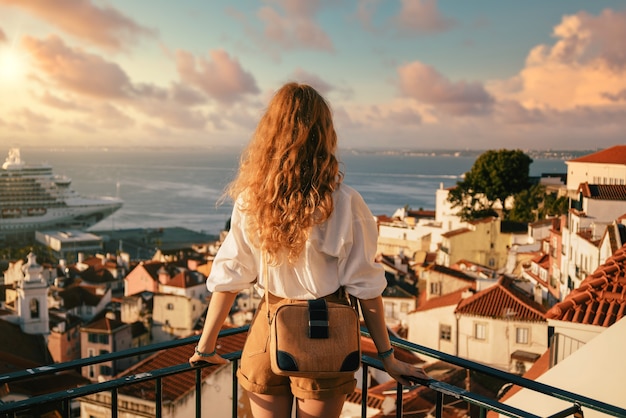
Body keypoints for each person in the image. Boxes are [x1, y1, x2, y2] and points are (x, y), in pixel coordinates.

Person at [189, 82, 430, 418]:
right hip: (325, 334)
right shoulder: (345, 203)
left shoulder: (252, 201)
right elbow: (366, 288)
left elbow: (231, 274)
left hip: (268, 326)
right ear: (324, 134)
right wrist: (387, 356)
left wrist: (206, 346)